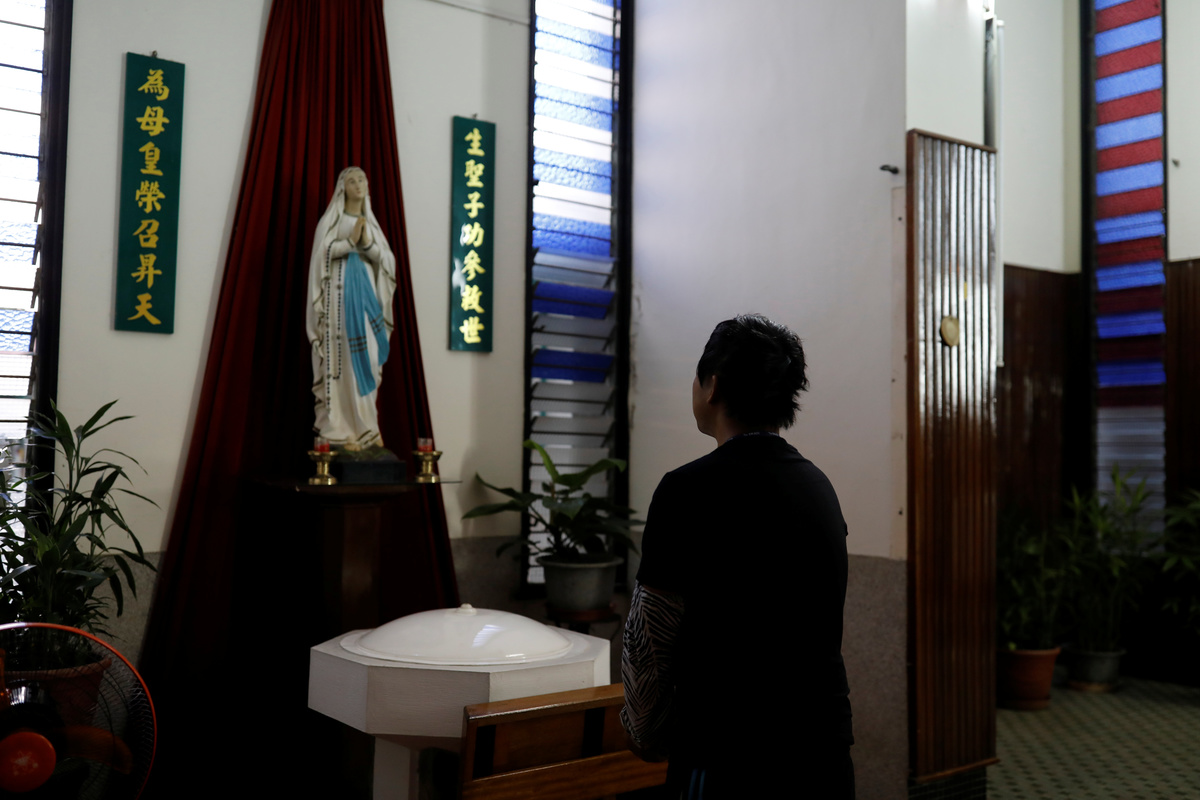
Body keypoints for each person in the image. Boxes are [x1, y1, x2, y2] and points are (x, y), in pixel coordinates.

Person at [621, 314, 855, 799]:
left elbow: (650, 637)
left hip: (726, 756)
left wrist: (645, 734)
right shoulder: (819, 488)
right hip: (823, 754)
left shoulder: (687, 490)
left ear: (712, 387)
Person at [306, 166, 398, 448]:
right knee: (342, 358)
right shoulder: (331, 222)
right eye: (351, 180)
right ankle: (340, 427)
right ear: (342, 189)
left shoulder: (372, 225)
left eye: (362, 179)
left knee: (370, 355)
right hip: (339, 301)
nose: (358, 184)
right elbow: (321, 256)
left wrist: (367, 244)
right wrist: (349, 242)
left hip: (367, 299)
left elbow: (387, 262)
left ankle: (367, 426)